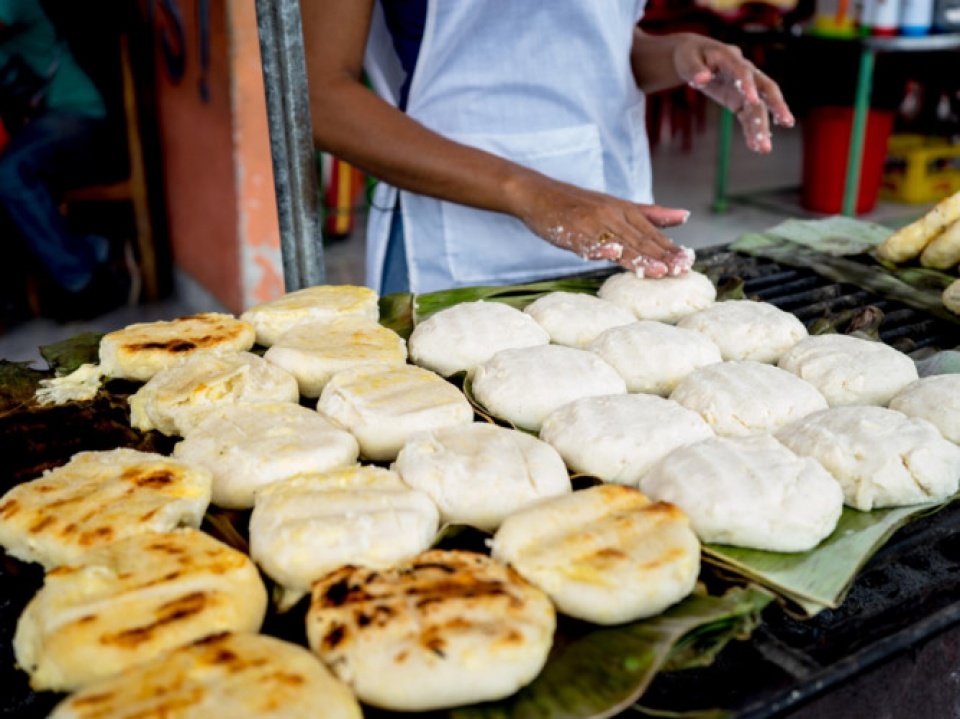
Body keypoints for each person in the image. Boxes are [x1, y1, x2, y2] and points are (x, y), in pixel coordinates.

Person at [302, 1, 795, 296]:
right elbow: (319, 97)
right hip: (456, 242)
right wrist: (535, 193)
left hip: (615, 219)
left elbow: (588, 46)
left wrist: (677, 53)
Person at [0, 0, 129, 323]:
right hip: (43, 128)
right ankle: (100, 249)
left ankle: (86, 282)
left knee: (11, 173)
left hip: (81, 116)